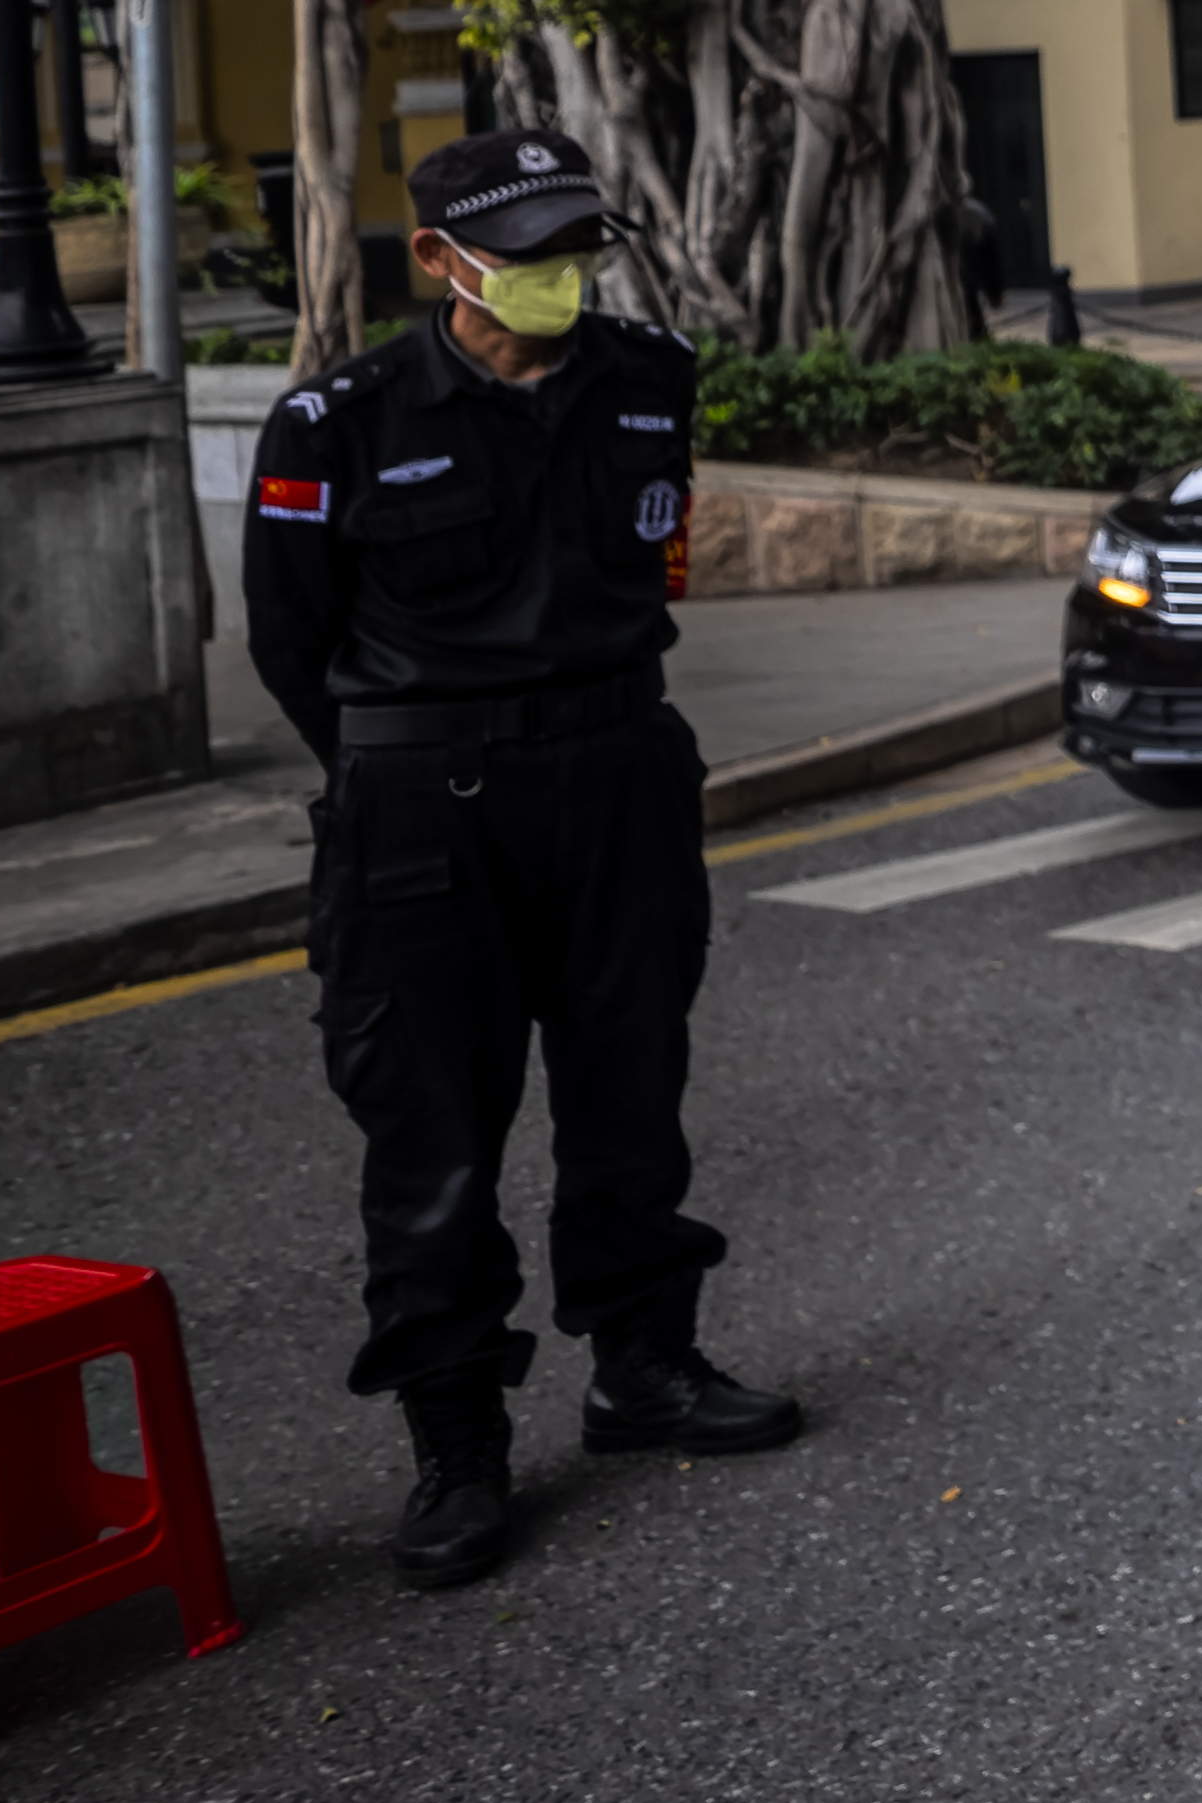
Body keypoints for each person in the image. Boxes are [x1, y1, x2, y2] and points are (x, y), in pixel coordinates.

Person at [244, 129, 798, 1597]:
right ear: (437, 259)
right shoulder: (336, 421)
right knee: (432, 1133)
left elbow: (653, 569)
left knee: (630, 1087)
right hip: (426, 804)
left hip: (616, 773)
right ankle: (457, 1441)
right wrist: (406, 760)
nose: (562, 274)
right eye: (530, 250)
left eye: (576, 245)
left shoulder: (645, 379)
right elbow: (292, 645)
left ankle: (645, 1368)